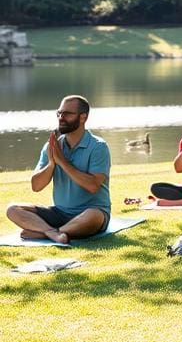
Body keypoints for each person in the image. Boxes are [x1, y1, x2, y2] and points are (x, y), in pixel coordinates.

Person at [6, 95, 111, 244]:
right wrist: (52, 163)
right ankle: (52, 232)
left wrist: (63, 162)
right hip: (59, 213)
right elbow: (36, 186)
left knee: (94, 216)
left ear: (83, 117)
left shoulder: (98, 147)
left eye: (67, 114)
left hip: (90, 213)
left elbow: (93, 186)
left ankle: (46, 233)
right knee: (12, 209)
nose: (61, 117)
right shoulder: (52, 146)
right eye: (59, 113)